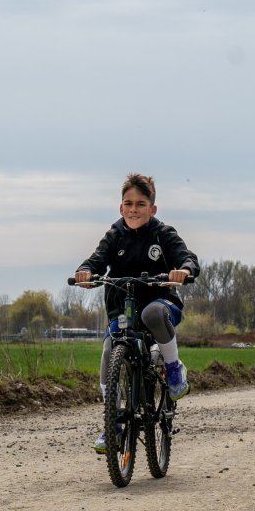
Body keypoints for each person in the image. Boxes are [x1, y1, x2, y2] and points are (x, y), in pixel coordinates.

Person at [74, 173, 200, 453]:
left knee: (152, 315)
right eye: (128, 204)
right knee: (109, 349)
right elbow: (97, 259)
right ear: (121, 207)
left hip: (160, 303)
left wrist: (184, 271)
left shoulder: (162, 234)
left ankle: (173, 369)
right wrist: (86, 272)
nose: (134, 209)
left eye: (141, 204)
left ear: (152, 209)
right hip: (122, 307)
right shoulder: (115, 235)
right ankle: (113, 424)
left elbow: (186, 257)